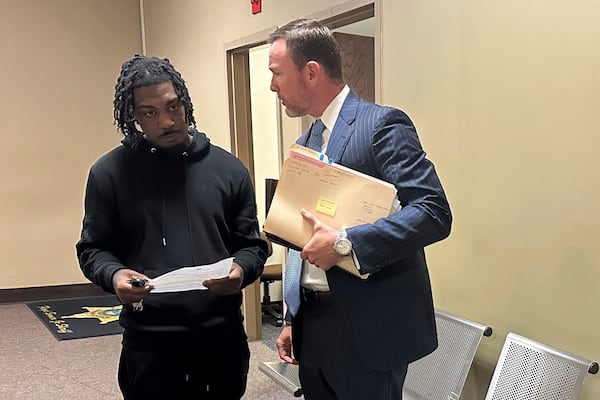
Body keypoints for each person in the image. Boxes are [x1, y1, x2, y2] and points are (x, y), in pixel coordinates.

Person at [268, 19, 452, 399]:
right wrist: (291, 316)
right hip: (313, 326)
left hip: (368, 327)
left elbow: (433, 211)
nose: (273, 87)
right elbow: (302, 238)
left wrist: (344, 243)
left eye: (277, 75)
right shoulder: (306, 143)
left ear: (311, 72)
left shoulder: (381, 125)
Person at [76, 55, 268, 400]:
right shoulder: (109, 174)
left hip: (220, 338)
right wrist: (115, 276)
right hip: (150, 342)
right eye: (150, 112)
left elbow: (252, 246)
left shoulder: (229, 170)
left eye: (173, 106)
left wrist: (240, 271)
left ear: (185, 103)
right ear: (132, 117)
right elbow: (93, 249)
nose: (166, 121)